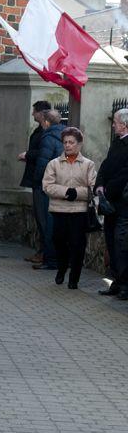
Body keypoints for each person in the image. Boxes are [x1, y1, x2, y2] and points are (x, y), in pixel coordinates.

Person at [41, 127, 97, 288]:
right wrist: (66, 192)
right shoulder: (54, 164)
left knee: (78, 245)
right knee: (59, 242)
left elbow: (93, 188)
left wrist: (77, 193)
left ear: (79, 144)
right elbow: (47, 186)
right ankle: (62, 267)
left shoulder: (88, 165)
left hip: (79, 212)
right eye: (65, 142)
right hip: (59, 210)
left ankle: (74, 278)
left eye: (71, 142)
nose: (67, 145)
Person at [95, 108, 128, 299]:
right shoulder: (116, 143)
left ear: (124, 124)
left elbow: (124, 173)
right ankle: (116, 281)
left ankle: (125, 284)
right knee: (111, 241)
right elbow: (105, 166)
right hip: (110, 202)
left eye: (115, 121)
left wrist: (109, 189)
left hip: (123, 202)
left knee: (121, 243)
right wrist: (99, 185)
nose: (113, 124)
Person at [18, 100, 51, 264]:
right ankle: (42, 251)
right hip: (37, 178)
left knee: (43, 218)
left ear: (41, 113)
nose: (32, 114)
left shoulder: (47, 133)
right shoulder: (42, 131)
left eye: (34, 112)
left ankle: (45, 253)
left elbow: (43, 153)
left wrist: (28, 155)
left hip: (41, 180)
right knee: (40, 218)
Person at [32, 108, 64, 271]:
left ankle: (50, 259)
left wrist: (38, 182)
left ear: (46, 122)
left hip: (48, 186)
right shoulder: (67, 135)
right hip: (62, 185)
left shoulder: (48, 137)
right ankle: (58, 258)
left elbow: (43, 163)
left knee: (48, 223)